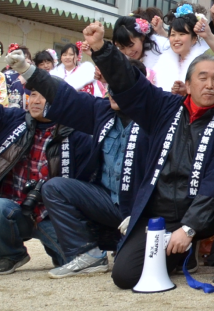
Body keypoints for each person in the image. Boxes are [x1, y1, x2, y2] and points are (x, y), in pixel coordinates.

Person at [83, 21, 214, 290]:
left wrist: (189, 228)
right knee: (125, 276)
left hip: (204, 213)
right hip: (159, 215)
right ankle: (179, 255)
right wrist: (101, 49)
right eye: (202, 77)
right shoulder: (164, 106)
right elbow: (131, 83)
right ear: (187, 84)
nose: (209, 85)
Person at [9, 51, 153, 278]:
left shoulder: (157, 118)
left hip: (143, 208)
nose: (113, 91)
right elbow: (64, 95)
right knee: (56, 187)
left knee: (129, 270)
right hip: (106, 201)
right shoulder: (101, 111)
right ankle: (87, 254)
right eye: (110, 84)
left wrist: (142, 209)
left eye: (121, 85)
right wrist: (28, 70)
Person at [0, 79, 94, 274]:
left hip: (50, 214)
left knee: (70, 261)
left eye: (43, 95)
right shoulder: (15, 120)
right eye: (33, 94)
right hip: (12, 208)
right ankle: (11, 254)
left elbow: (86, 183)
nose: (36, 100)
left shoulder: (78, 134)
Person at [151, 13, 206, 92]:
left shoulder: (203, 63)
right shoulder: (163, 62)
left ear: (194, 39)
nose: (176, 39)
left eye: (182, 34)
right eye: (173, 35)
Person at [113, 16, 159, 85]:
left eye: (131, 45)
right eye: (122, 48)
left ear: (142, 37)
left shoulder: (161, 57)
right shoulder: (119, 63)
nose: (128, 52)